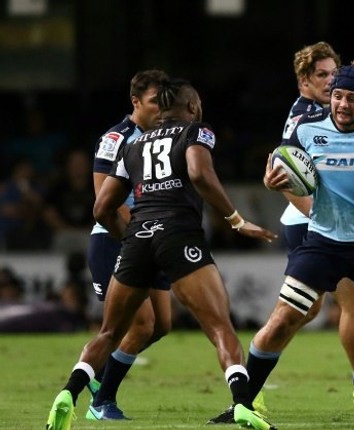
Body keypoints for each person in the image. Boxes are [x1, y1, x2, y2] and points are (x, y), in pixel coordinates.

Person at [209, 62, 354, 422]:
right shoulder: (307, 128)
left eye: (351, 98)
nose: (341, 104)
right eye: (337, 96)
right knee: (281, 321)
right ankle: (242, 404)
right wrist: (272, 178)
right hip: (323, 241)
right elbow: (278, 163)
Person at [45, 78, 278, 430]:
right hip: (177, 234)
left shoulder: (133, 146)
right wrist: (236, 219)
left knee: (110, 332)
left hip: (137, 237)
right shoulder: (196, 132)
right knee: (218, 327)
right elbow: (200, 173)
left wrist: (131, 242)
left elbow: (101, 209)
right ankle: (243, 404)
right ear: (193, 108)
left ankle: (68, 393)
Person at [272, 41, 354, 409]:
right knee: (353, 305)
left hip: (317, 222)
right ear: (304, 80)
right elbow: (282, 170)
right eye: (323, 75)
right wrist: (320, 214)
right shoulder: (304, 119)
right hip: (312, 223)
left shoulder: (324, 112)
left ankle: (251, 371)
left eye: (335, 73)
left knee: (310, 309)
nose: (332, 81)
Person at [82, 69, 172, 420]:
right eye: (154, 102)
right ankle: (101, 400)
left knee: (162, 325)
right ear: (136, 102)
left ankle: (95, 372)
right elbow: (104, 199)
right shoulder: (116, 139)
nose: (161, 109)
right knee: (140, 324)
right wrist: (135, 238)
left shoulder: (163, 137)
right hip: (115, 240)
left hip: (151, 239)